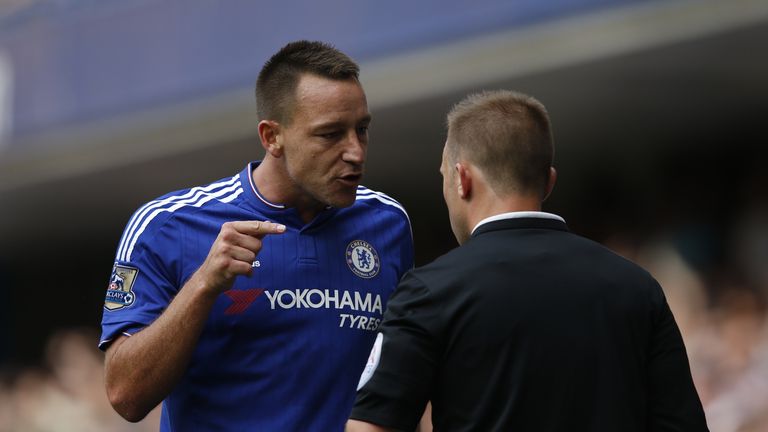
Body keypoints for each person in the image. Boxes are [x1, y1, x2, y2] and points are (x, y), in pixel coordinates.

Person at [347, 90, 709, 431]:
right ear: (548, 182)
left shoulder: (429, 291)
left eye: (444, 176)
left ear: (462, 179)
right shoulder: (637, 286)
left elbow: (371, 426)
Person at [99, 40, 414, 431]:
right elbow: (125, 396)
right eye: (330, 134)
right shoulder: (167, 225)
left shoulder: (388, 223)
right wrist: (203, 284)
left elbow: (401, 382)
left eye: (362, 129)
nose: (356, 152)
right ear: (272, 137)